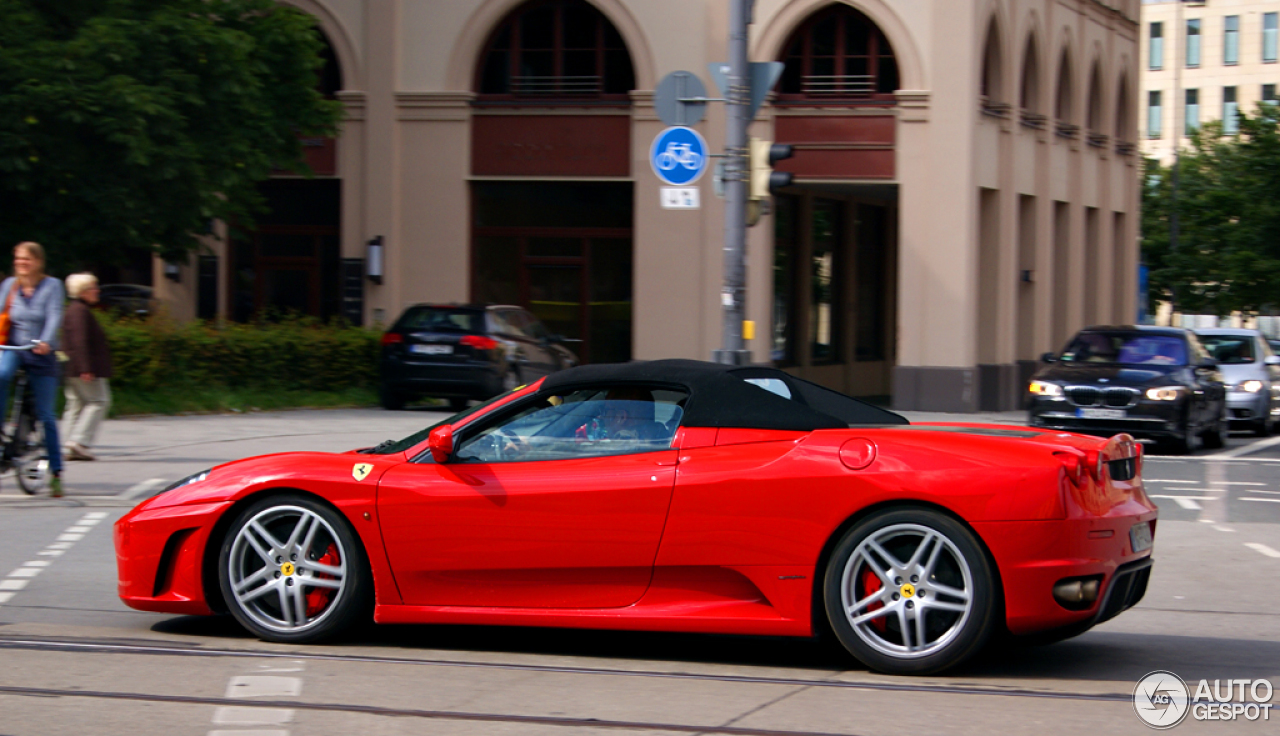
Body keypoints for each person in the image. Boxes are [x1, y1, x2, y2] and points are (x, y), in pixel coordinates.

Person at [0, 242, 65, 496]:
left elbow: (54, 315)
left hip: (40, 352)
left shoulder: (52, 286)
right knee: (2, 375)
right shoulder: (9, 286)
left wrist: (47, 341)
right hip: (15, 348)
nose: (21, 263)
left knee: (46, 414)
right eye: (18, 259)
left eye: (26, 259)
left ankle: (57, 472)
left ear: (38, 262)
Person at [61, 273, 113, 461]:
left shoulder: (74, 309)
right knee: (99, 401)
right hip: (81, 366)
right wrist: (85, 367)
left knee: (75, 404)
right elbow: (80, 341)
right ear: (83, 292)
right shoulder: (80, 312)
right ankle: (79, 441)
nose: (97, 291)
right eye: (93, 287)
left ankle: (67, 446)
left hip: (72, 365)